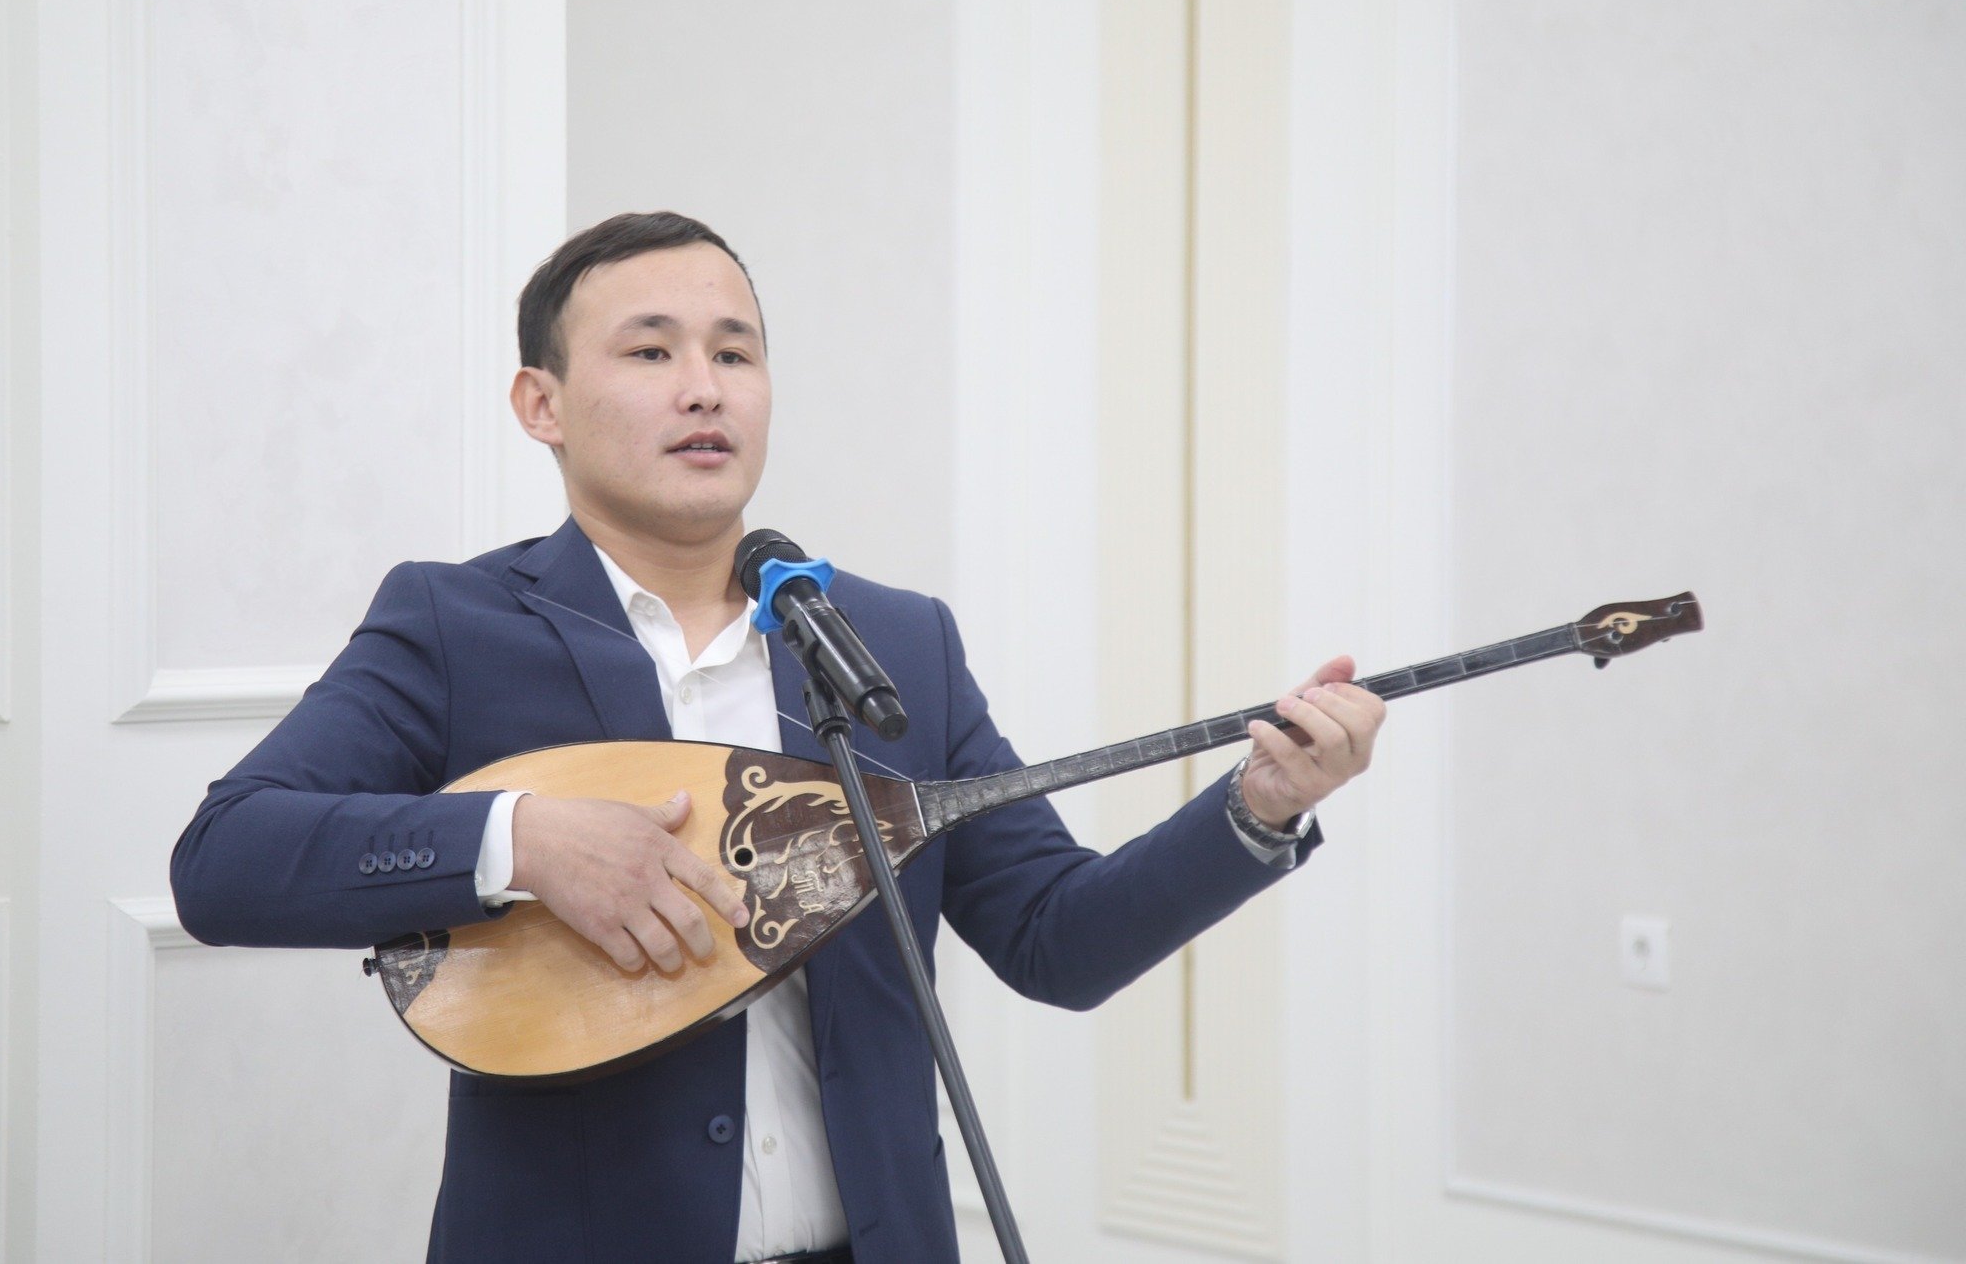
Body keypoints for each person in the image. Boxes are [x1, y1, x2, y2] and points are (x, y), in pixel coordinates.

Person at [169, 212, 1386, 1264]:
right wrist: (524, 842)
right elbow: (225, 858)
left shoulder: (891, 643)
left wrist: (1256, 808)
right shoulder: (454, 626)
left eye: (734, 352)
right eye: (650, 350)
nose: (704, 387)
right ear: (541, 404)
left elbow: (1054, 939)